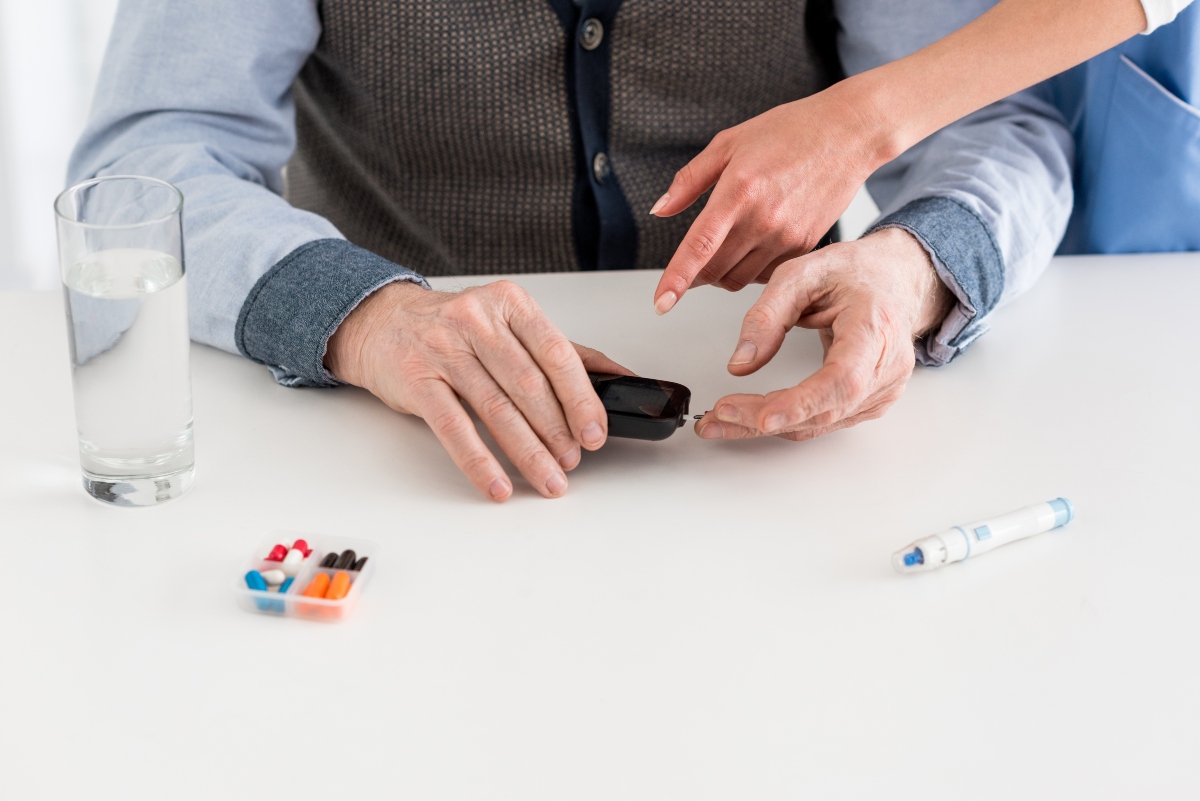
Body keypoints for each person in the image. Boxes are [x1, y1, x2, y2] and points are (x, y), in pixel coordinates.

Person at [71, 0, 1075, 501]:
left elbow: (991, 124)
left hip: (765, 467)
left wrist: (911, 266)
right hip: (385, 453)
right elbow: (149, 161)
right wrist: (363, 316)